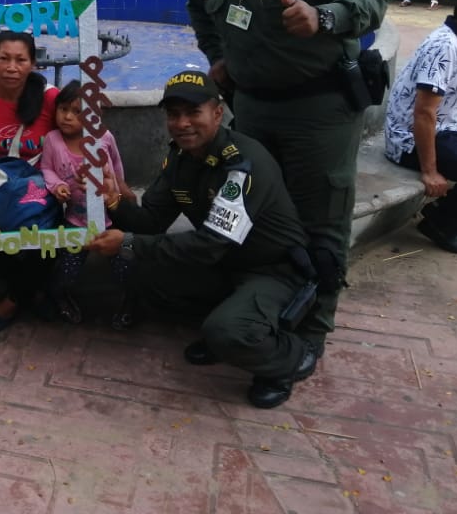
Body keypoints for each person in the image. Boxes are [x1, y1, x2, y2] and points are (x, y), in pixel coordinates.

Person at [186, 0, 387, 362]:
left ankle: (308, 336)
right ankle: (250, 316)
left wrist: (324, 17)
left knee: (321, 222)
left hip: (318, 110)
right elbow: (200, 13)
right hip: (252, 109)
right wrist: (217, 56)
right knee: (246, 216)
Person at [88, 70, 317, 409]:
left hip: (272, 270)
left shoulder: (241, 166)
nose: (182, 124)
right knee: (142, 272)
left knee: (228, 331)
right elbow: (152, 221)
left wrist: (127, 242)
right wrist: (114, 201)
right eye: (173, 114)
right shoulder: (180, 159)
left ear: (217, 113)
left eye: (193, 113)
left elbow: (210, 244)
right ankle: (226, 326)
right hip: (224, 265)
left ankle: (289, 358)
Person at [384, 0, 457, 255]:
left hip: (447, 130)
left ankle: (446, 214)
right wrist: (430, 171)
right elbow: (424, 113)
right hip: (410, 141)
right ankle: (441, 225)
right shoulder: (444, 47)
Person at [0, 30, 58, 333]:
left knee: (48, 236)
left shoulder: (50, 98)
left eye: (21, 60)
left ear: (33, 64)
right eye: (4, 58)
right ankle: (33, 291)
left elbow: (79, 136)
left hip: (38, 188)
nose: (12, 67)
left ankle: (13, 300)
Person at [40, 80, 131, 323]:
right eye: (63, 109)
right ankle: (61, 297)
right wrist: (56, 185)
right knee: (66, 270)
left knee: (125, 265)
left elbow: (117, 167)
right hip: (75, 219)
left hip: (110, 218)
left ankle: (130, 301)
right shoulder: (53, 140)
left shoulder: (104, 138)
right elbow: (46, 168)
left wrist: (119, 193)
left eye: (77, 111)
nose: (67, 117)